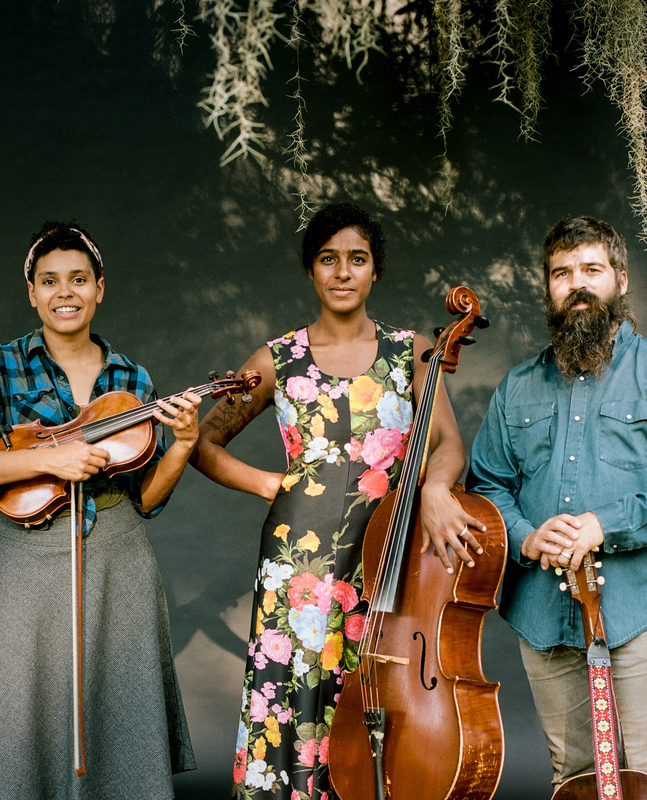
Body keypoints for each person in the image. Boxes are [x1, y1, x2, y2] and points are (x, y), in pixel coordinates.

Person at [190, 203, 484, 799]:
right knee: (296, 698)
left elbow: (451, 446)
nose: (343, 272)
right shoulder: (279, 358)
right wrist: (270, 485)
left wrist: (431, 485)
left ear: (375, 271)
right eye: (329, 260)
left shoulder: (414, 350)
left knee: (371, 696)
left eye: (358, 259)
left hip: (385, 559)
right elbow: (201, 442)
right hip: (298, 569)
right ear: (311, 271)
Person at [0, 221, 201, 799]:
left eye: (79, 279)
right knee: (21, 708)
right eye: (49, 280)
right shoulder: (0, 364)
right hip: (29, 558)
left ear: (99, 288)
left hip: (119, 555)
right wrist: (49, 464)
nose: (65, 292)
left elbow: (148, 500)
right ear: (31, 292)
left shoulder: (132, 379)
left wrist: (181, 445)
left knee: (119, 704)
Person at [467, 216, 647, 799]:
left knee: (645, 771)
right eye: (561, 273)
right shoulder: (517, 387)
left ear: (620, 281)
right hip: (541, 612)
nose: (576, 284)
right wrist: (526, 537)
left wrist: (605, 524)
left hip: (632, 606)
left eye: (591, 270)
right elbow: (485, 483)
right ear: (548, 287)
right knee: (571, 777)